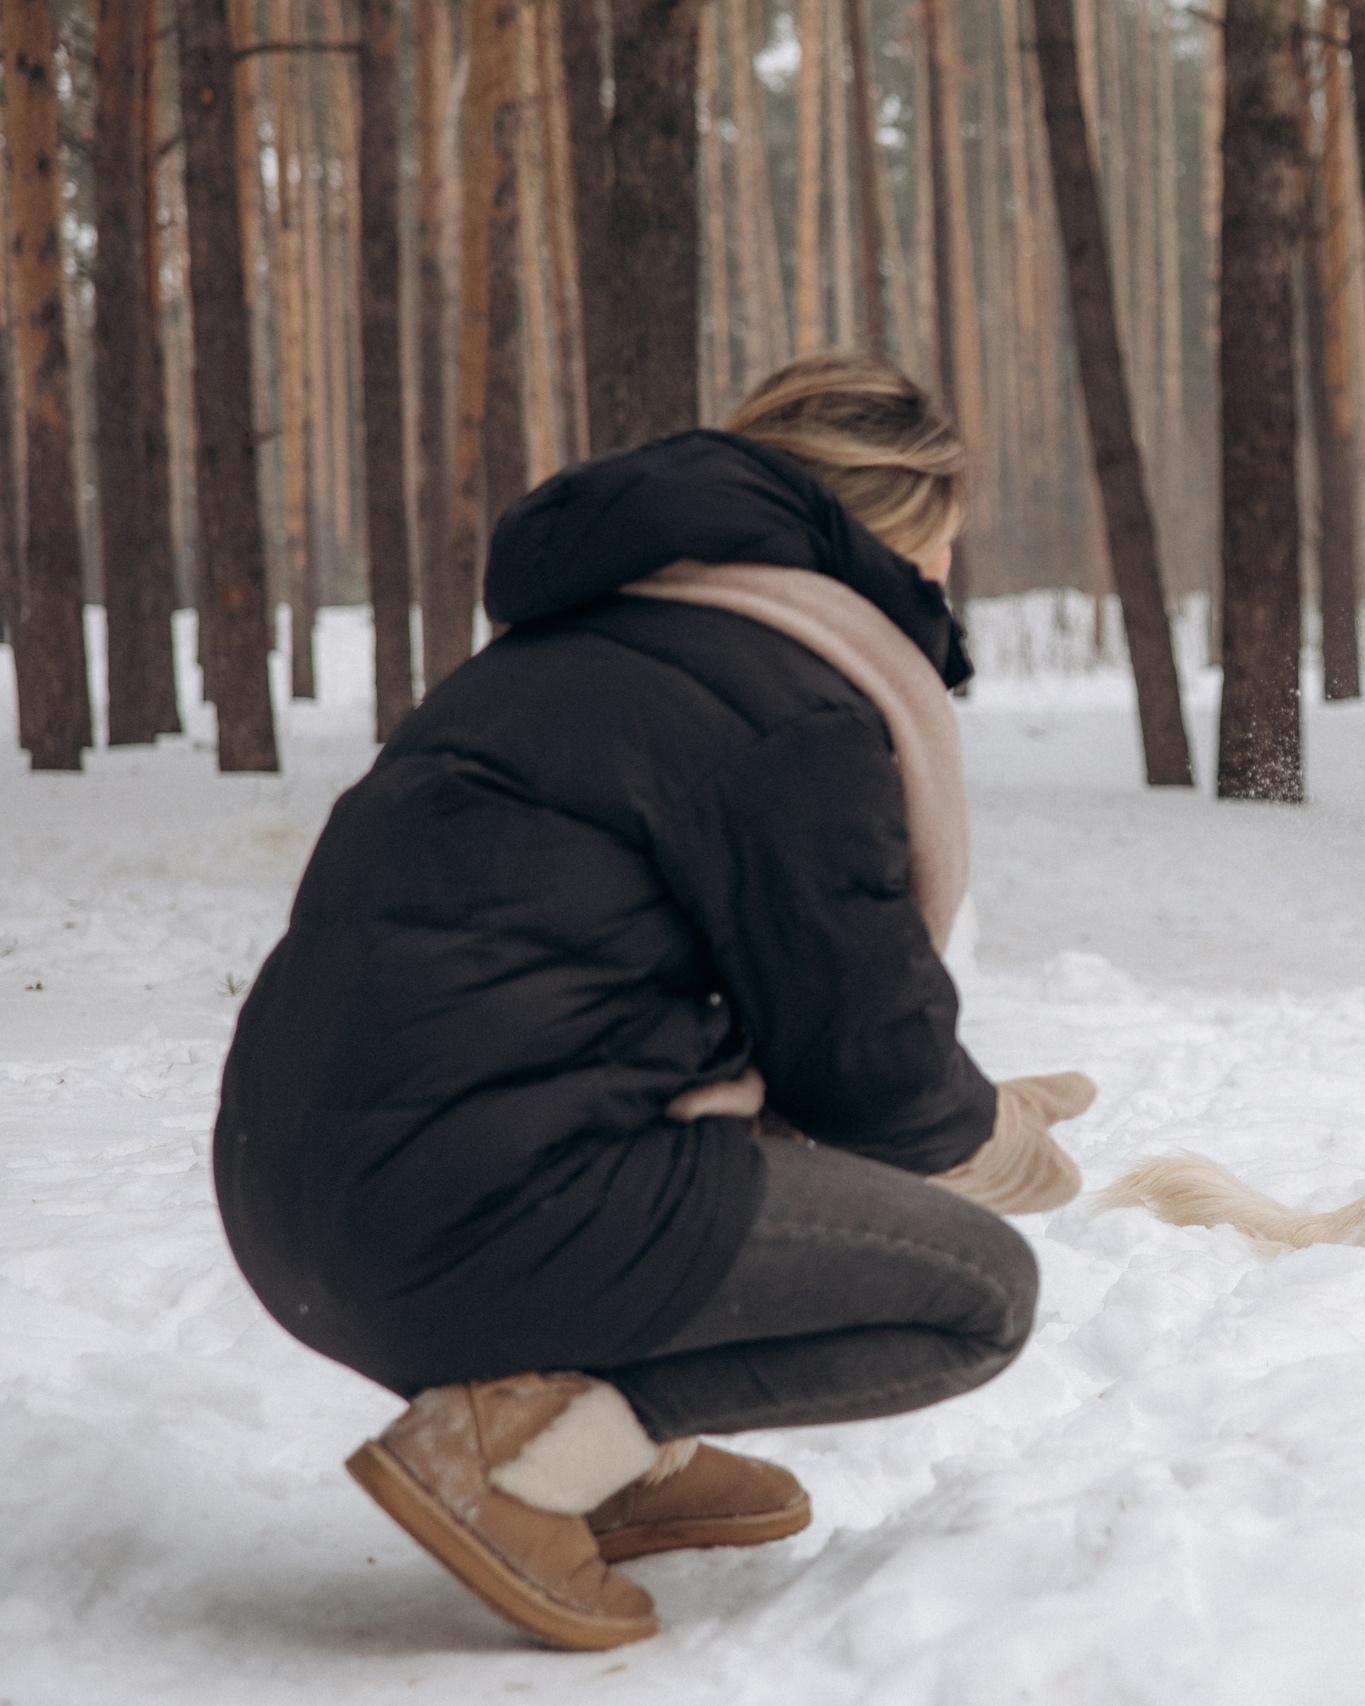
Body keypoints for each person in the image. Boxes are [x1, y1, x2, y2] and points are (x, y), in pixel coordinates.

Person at [212, 354, 1093, 1652]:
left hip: (292, 1207)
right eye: (945, 548)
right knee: (973, 1292)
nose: (945, 584)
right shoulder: (789, 694)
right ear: (891, 531)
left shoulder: (582, 636)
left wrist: (948, 1096)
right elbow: (860, 1064)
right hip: (456, 1217)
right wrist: (981, 1139)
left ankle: (613, 1458)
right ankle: (527, 1458)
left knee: (763, 1143)